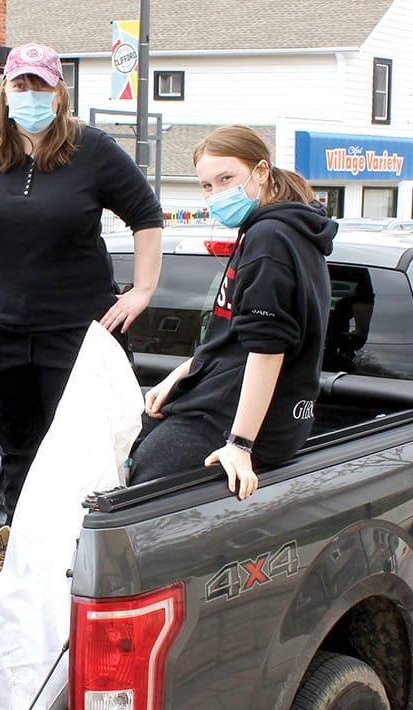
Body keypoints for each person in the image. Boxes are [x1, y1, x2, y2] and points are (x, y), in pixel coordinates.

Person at [0, 42, 164, 589]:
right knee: (19, 448)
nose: (30, 95)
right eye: (20, 85)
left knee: (80, 448)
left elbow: (146, 215)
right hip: (3, 328)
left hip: (79, 330)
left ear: (58, 91)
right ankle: (16, 553)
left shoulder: (92, 150)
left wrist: (142, 290)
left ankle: (85, 560)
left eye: (40, 86)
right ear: (5, 90)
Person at [127, 124, 336, 499]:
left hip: (234, 420)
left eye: (227, 178)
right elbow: (230, 336)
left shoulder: (270, 238)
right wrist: (176, 377)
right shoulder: (281, 228)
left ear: (261, 171)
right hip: (238, 407)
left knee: (137, 486)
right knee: (128, 429)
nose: (217, 194)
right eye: (207, 185)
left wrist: (240, 444)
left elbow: (267, 349)